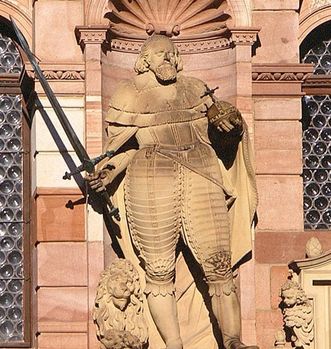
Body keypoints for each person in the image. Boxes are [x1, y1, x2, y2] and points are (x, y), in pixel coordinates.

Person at [87, 34, 258, 349]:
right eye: (159, 53)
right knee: (158, 269)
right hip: (150, 175)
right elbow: (120, 150)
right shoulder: (128, 95)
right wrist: (105, 175)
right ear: (145, 60)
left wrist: (232, 126)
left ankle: (233, 341)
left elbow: (221, 134)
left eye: (171, 53)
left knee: (220, 265)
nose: (166, 58)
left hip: (201, 170)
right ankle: (173, 344)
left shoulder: (196, 88)